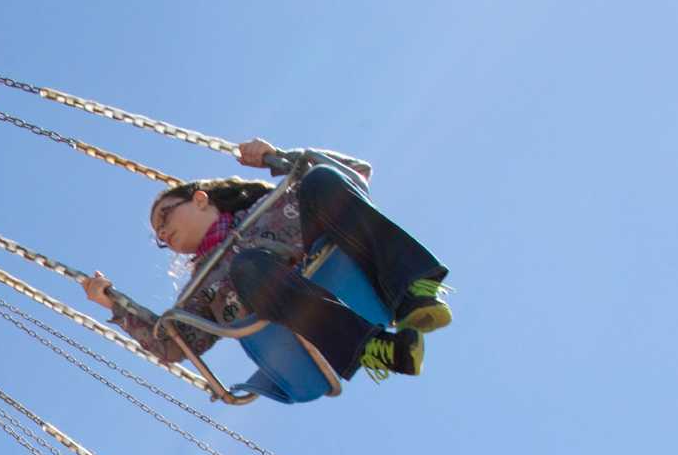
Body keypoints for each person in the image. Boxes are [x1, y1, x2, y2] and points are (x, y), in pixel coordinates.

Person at [83, 141, 446, 384]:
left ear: (198, 199)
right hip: (281, 304)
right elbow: (175, 343)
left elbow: (354, 172)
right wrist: (115, 303)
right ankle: (373, 348)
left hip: (330, 251)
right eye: (158, 237)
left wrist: (280, 157)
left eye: (164, 218)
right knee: (248, 267)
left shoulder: (272, 203)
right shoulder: (205, 283)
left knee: (319, 180)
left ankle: (415, 290)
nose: (163, 235)